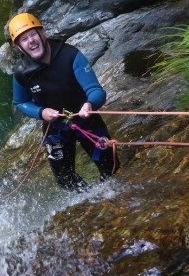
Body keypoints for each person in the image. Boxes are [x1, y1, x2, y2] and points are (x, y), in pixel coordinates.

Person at [9, 12, 118, 192]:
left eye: (33, 34)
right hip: (56, 129)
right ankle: (91, 199)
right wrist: (41, 112)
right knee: (64, 179)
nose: (31, 41)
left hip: (86, 119)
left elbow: (96, 90)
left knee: (111, 167)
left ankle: (110, 194)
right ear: (20, 47)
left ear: (42, 33)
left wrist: (90, 104)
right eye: (24, 39)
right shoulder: (22, 73)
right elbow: (20, 102)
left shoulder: (70, 56)